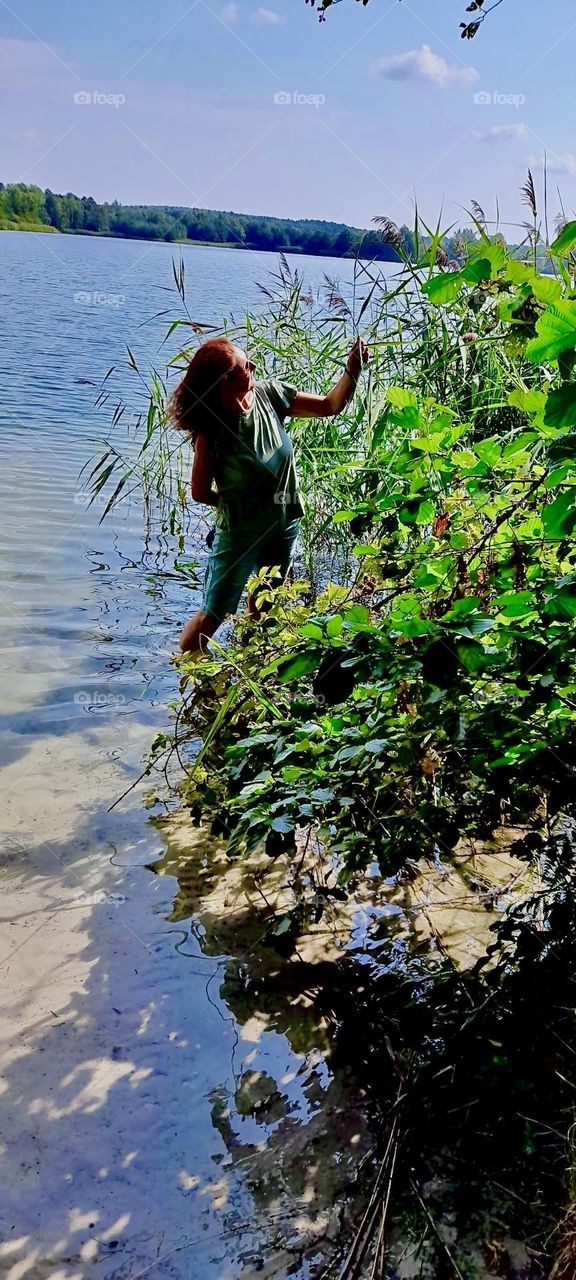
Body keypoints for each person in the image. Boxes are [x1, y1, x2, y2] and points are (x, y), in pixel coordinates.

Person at [168, 335, 369, 653]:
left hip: (283, 524)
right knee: (212, 617)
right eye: (246, 365)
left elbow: (330, 406)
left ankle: (251, 673)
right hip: (240, 533)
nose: (254, 366)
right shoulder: (213, 433)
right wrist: (239, 505)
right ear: (226, 381)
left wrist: (352, 371)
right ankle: (192, 680)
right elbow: (199, 492)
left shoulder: (270, 395)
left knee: (265, 609)